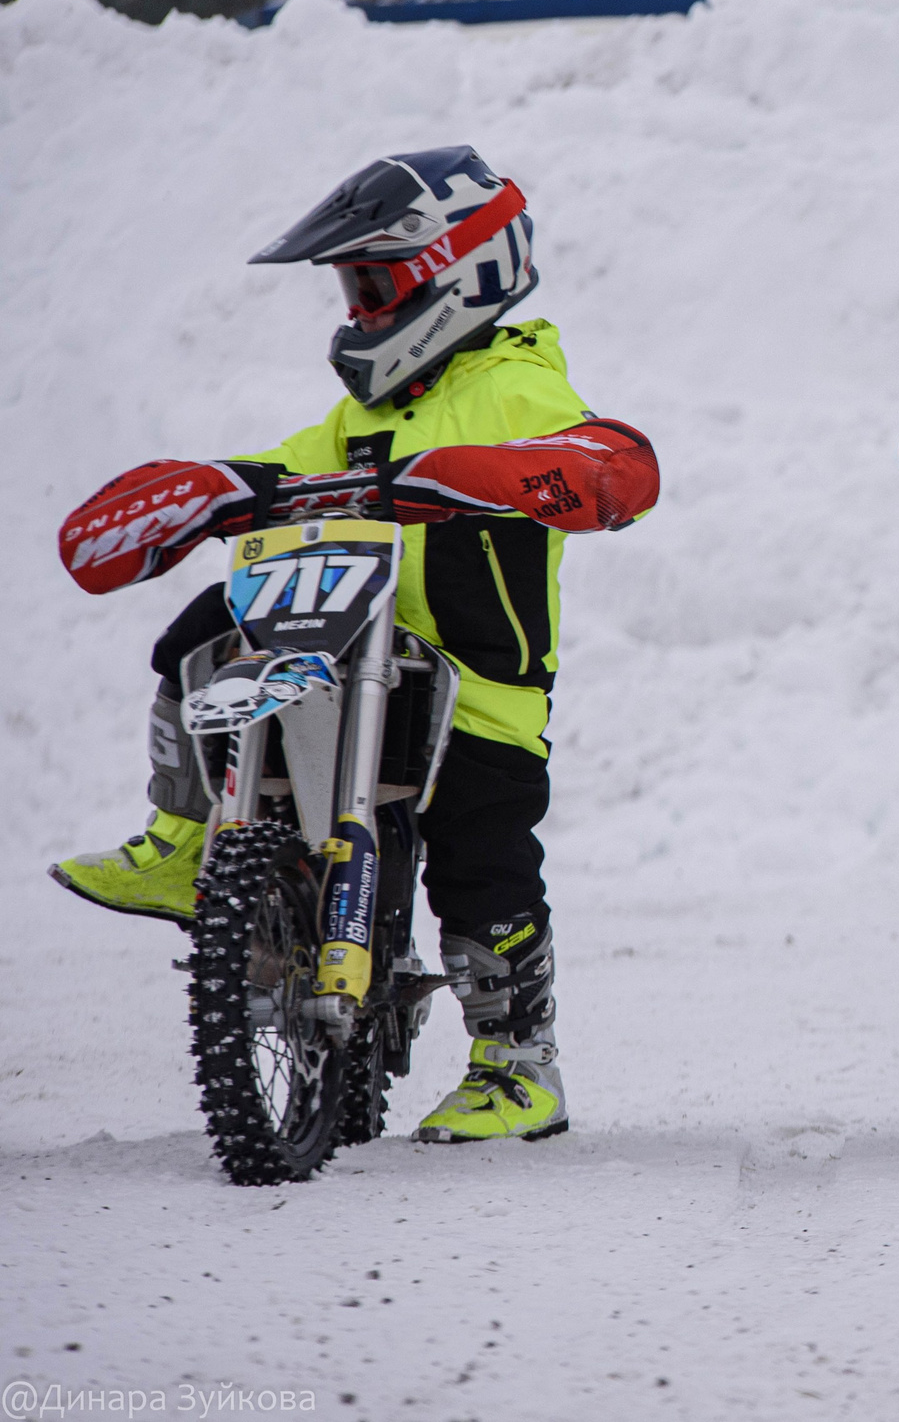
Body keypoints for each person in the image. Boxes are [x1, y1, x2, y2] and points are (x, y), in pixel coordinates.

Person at [51, 145, 647, 1144]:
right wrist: (208, 488)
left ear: (460, 273)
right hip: (336, 669)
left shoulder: (516, 387)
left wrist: (508, 472)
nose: (362, 308)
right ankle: (185, 835)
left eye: (377, 283)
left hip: (477, 692)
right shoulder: (358, 418)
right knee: (203, 626)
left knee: (481, 861)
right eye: (353, 288)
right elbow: (284, 470)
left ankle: (516, 1062)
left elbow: (611, 464)